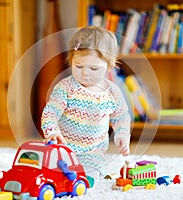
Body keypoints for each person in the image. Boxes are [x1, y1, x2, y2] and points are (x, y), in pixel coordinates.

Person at [41, 26, 131, 179]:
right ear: (71, 61)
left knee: (87, 177)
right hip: (63, 150)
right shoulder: (65, 88)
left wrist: (122, 134)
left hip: (93, 153)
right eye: (78, 66)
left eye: (94, 68)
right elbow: (50, 113)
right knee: (47, 173)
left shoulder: (112, 92)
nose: (84, 72)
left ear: (109, 65)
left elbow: (121, 117)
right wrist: (52, 132)